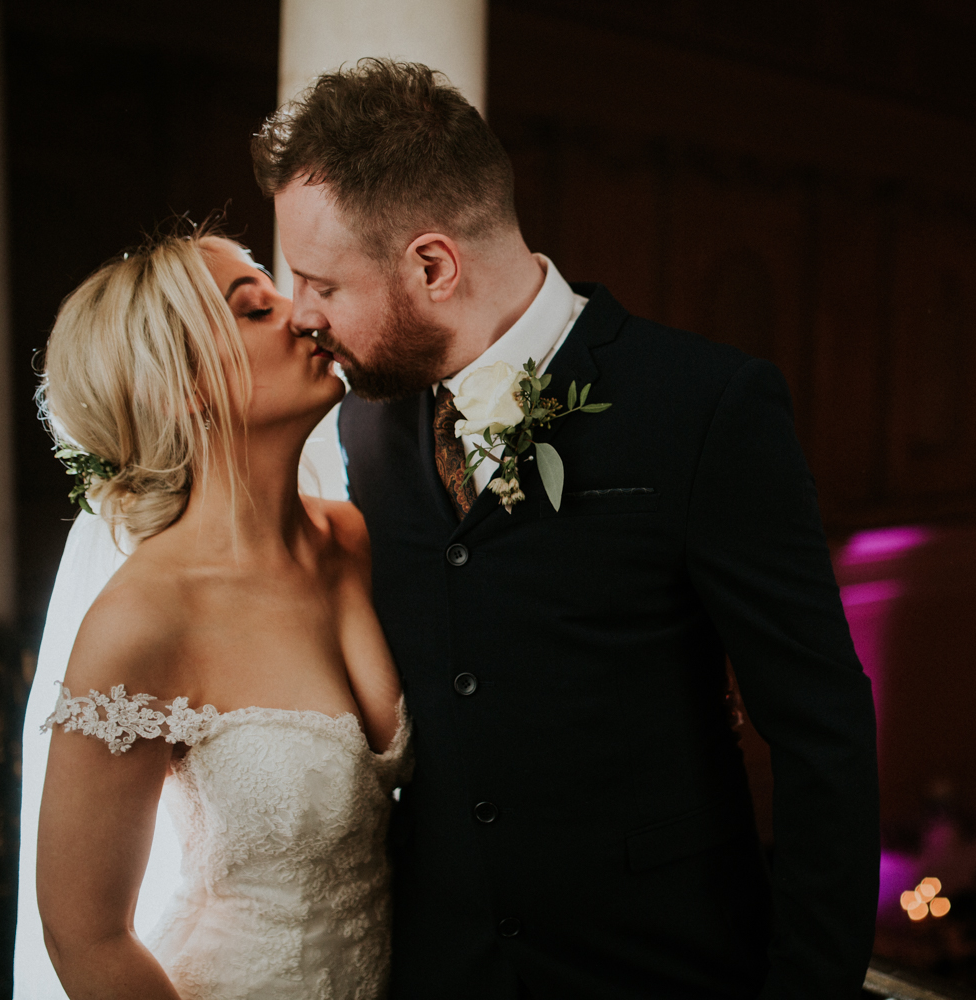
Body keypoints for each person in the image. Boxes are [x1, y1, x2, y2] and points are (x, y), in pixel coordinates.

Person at [255, 58, 880, 998]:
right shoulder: (367, 422)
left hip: (661, 968)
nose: (301, 315)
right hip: (443, 974)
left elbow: (822, 730)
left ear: (432, 264)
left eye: (320, 284)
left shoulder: (705, 407)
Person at [32, 228, 408, 999]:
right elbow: (85, 936)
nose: (304, 316)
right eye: (255, 309)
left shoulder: (358, 538)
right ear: (188, 385)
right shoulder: (142, 620)